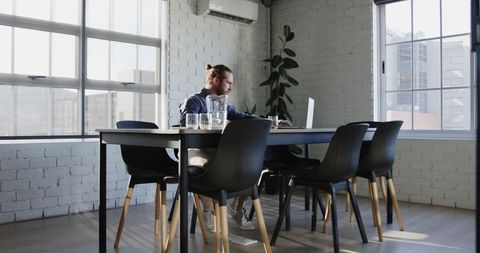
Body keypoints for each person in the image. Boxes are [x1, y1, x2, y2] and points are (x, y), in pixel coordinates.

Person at [179, 64, 256, 232]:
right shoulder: (194, 100)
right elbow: (186, 125)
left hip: (216, 151)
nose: (231, 87)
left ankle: (235, 209)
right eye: (229, 83)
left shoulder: (223, 105)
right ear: (216, 80)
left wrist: (270, 122)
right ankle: (209, 209)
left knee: (251, 163)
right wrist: (212, 122)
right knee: (213, 164)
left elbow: (243, 117)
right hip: (194, 152)